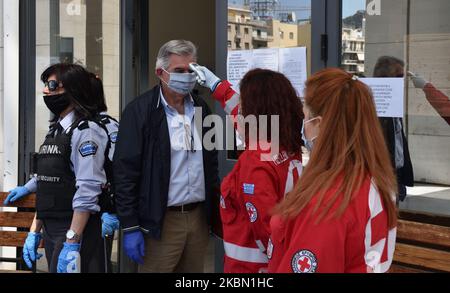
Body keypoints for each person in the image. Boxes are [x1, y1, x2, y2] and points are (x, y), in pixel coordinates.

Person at [268, 68, 398, 273]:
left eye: (305, 116)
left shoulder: (329, 199)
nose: (302, 126)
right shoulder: (372, 179)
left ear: (319, 124)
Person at [113, 40, 219, 273]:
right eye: (179, 71)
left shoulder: (202, 109)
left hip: (198, 217)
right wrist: (130, 225)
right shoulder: (140, 111)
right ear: (160, 73)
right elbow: (125, 172)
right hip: (161, 220)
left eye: (191, 70)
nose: (187, 76)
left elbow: (212, 163)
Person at [192, 66, 304, 273]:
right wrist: (217, 86)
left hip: (250, 269)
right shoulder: (285, 144)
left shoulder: (255, 161)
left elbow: (267, 230)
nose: (240, 112)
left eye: (244, 106)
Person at [4, 63, 108, 273]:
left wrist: (72, 240)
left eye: (52, 85)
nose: (45, 91)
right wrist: (35, 231)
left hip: (74, 229)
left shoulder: (86, 132)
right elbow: (48, 184)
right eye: (45, 84)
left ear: (73, 89)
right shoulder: (56, 131)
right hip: (53, 229)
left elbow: (87, 188)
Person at [88, 72, 120, 272]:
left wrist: (112, 210)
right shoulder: (68, 126)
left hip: (99, 212)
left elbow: (120, 170)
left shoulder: (109, 126)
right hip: (71, 211)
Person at [373, 56, 414, 202]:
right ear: (386, 79)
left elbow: (398, 140)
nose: (403, 81)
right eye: (399, 76)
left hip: (396, 172)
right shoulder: (377, 106)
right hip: (381, 174)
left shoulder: (393, 103)